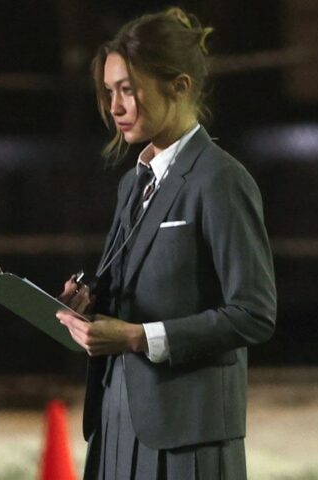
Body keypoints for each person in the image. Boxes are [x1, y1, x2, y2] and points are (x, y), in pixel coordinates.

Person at [56, 7, 277, 480]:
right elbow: (135, 286)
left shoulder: (220, 179)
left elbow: (254, 313)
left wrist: (137, 337)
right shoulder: (133, 183)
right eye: (109, 92)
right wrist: (89, 302)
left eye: (128, 90)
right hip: (115, 423)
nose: (115, 107)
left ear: (179, 86)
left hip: (187, 436)